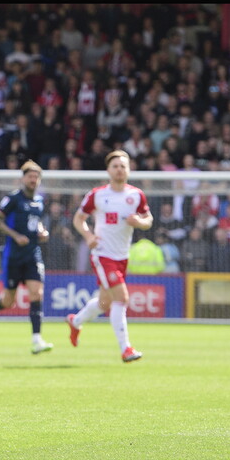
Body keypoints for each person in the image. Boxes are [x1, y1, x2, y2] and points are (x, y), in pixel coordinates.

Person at [66, 150, 152, 363]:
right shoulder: (97, 194)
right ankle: (126, 349)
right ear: (108, 170)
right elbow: (79, 219)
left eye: (123, 165)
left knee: (105, 303)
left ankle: (76, 321)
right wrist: (88, 236)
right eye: (115, 166)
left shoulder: (136, 195)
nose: (120, 169)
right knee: (121, 298)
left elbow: (148, 219)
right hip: (103, 255)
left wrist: (139, 223)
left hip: (123, 256)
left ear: (129, 170)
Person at [0, 160, 53, 355]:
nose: (33, 180)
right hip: (14, 256)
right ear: (23, 179)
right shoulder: (12, 199)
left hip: (33, 254)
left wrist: (41, 231)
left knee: (36, 293)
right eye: (30, 176)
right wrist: (15, 235)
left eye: (36, 177)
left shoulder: (39, 201)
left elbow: (34, 223)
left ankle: (36, 339)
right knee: (9, 300)